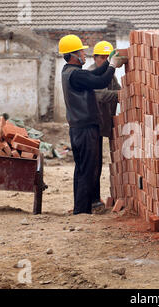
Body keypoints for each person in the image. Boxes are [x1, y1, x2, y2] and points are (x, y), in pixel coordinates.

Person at [58, 34, 124, 215]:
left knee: (82, 169)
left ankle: (81, 209)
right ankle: (82, 211)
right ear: (73, 54)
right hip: (85, 128)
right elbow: (100, 81)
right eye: (81, 51)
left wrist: (108, 63)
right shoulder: (76, 75)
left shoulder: (69, 71)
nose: (84, 54)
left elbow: (93, 74)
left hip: (79, 128)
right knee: (88, 170)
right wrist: (112, 66)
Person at [88, 41, 122, 211]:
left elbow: (117, 88)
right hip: (92, 124)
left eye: (107, 58)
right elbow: (100, 95)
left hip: (105, 123)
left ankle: (96, 199)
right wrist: (121, 95)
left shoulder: (110, 75)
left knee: (100, 163)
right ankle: (92, 201)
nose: (104, 60)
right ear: (95, 57)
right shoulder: (90, 74)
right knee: (93, 164)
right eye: (102, 57)